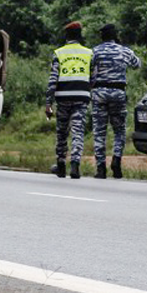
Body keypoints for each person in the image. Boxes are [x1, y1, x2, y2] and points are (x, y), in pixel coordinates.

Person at [88, 23, 143, 178]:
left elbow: (88, 69)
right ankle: (116, 161)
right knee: (119, 130)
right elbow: (137, 64)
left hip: (99, 93)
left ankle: (100, 168)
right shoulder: (124, 51)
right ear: (115, 35)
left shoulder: (95, 51)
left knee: (99, 131)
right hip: (118, 92)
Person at [44, 21, 93, 179]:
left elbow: (53, 80)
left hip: (63, 97)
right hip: (81, 97)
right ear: (80, 35)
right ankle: (75, 165)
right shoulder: (89, 53)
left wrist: (48, 103)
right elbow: (94, 77)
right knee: (78, 131)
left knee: (62, 132)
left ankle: (60, 164)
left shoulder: (59, 53)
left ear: (66, 36)